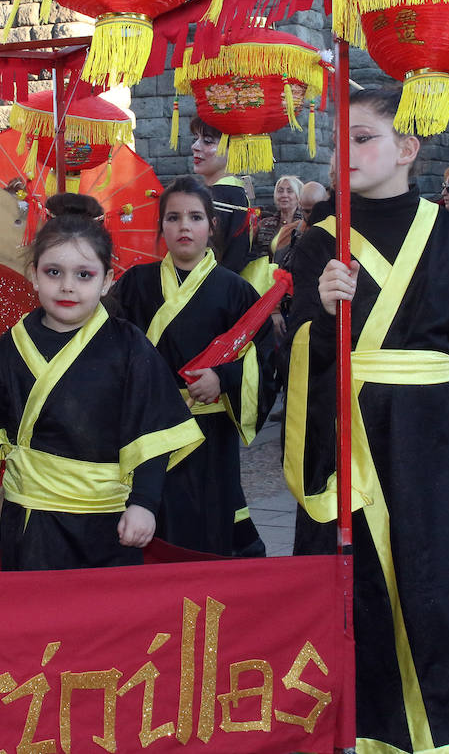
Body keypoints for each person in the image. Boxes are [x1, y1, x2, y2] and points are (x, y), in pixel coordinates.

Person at [285, 86, 449, 754]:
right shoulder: (320, 243)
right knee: (353, 583)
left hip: (438, 437)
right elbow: (297, 350)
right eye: (340, 138)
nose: (348, 150)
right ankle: (363, 730)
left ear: (407, 147)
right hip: (351, 433)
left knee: (443, 582)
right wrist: (322, 312)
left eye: (363, 136)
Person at [0, 193, 203, 570]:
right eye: (53, 272)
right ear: (33, 274)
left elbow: (155, 432)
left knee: (107, 623)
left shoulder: (129, 347)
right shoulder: (7, 350)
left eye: (84, 274)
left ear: (107, 280)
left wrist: (144, 503)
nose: (67, 286)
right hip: (31, 517)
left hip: (110, 519)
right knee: (39, 623)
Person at [111, 176, 274, 556]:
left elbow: (266, 353)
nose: (184, 226)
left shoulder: (235, 289)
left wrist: (224, 377)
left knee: (206, 525)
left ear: (212, 226)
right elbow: (110, 347)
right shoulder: (134, 283)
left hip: (208, 429)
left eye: (196, 217)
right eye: (173, 217)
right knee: (148, 520)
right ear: (162, 226)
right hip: (148, 427)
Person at [190, 118, 255, 273]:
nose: (195, 146)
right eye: (195, 139)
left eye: (207, 141)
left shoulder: (219, 198)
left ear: (233, 150)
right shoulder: (236, 192)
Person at [257, 174, 305, 264]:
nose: (284, 195)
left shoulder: (305, 225)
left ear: (298, 196)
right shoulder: (264, 224)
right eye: (280, 191)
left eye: (290, 191)